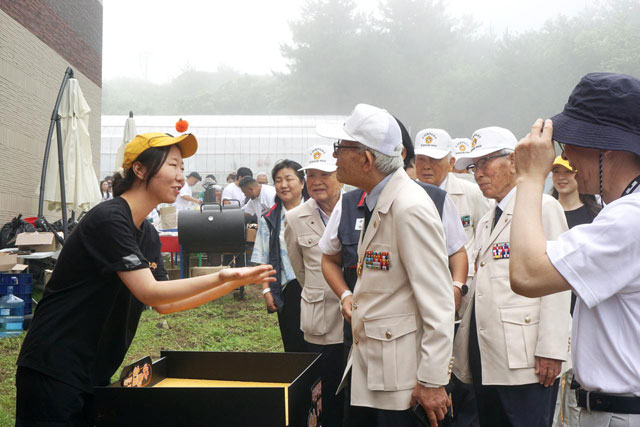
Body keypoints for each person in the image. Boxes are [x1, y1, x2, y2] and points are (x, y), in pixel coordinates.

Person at [15, 132, 276, 426]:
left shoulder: (148, 234)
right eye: (173, 166)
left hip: (94, 367)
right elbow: (149, 292)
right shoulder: (110, 219)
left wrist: (231, 283)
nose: (180, 176)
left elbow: (166, 302)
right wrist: (224, 274)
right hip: (54, 366)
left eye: (181, 168)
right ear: (139, 170)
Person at [510, 72, 640, 427]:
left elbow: (525, 273)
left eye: (572, 144)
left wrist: (530, 178)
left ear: (605, 150)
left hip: (621, 412)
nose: (564, 157)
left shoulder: (629, 219)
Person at [317, 103, 454, 427]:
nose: (334, 156)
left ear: (366, 159)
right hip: (378, 369)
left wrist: (433, 380)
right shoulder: (381, 202)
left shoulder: (409, 208)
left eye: (341, 147)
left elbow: (438, 301)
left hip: (403, 382)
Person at [451, 126, 572, 427]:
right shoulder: (485, 222)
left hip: (527, 358)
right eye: (473, 166)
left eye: (485, 162)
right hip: (487, 354)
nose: (478, 173)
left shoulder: (543, 207)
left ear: (514, 161)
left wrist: (552, 348)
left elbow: (559, 282)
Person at [284, 145, 344, 427]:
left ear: (340, 176)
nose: (317, 181)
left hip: (358, 317)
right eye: (311, 175)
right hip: (321, 319)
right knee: (324, 390)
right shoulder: (295, 217)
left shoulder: (356, 207)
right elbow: (300, 270)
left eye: (324, 174)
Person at [413, 128, 492, 318]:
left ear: (451, 163)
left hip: (464, 291)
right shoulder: (405, 194)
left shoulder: (472, 193)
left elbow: (486, 236)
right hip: (420, 289)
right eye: (421, 159)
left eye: (434, 160)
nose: (427, 166)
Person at [252, 160, 307, 352]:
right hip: (289, 288)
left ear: (302, 183)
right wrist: (267, 291)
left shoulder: (318, 211)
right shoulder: (270, 218)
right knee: (294, 342)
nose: (283, 185)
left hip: (321, 286)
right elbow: (263, 258)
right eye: (278, 180)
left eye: (289, 179)